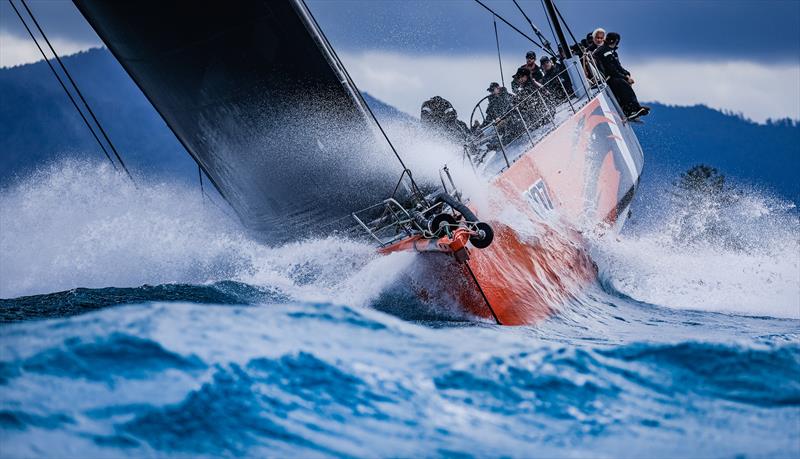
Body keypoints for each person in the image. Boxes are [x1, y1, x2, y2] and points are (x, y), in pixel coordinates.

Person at [592, 32, 649, 118]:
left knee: (623, 81)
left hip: (611, 76)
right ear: (616, 42)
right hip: (608, 79)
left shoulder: (608, 50)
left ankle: (634, 107)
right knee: (622, 83)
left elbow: (617, 66)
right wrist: (625, 78)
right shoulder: (605, 51)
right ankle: (631, 110)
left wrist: (627, 73)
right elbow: (612, 70)